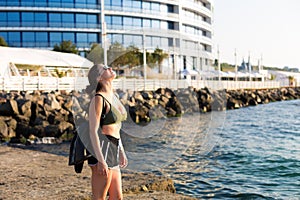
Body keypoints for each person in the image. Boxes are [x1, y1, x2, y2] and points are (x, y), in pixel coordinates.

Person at [85, 64, 128, 200]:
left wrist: (121, 151)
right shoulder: (98, 98)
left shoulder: (113, 96)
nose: (109, 68)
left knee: (117, 197)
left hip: (113, 147)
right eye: (105, 68)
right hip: (103, 148)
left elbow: (117, 126)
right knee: (99, 197)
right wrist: (100, 159)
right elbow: (93, 131)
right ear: (99, 78)